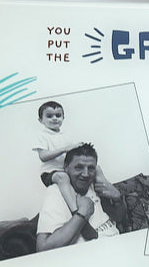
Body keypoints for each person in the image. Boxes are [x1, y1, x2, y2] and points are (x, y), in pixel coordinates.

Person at [33, 100, 120, 240]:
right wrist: (64, 149)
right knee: (63, 178)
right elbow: (43, 156)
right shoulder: (42, 135)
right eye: (49, 116)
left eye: (58, 115)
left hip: (64, 170)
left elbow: (74, 155)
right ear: (40, 120)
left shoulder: (65, 135)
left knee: (96, 167)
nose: (54, 118)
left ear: (63, 117)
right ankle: (76, 210)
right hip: (51, 173)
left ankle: (103, 184)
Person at [36, 143, 125, 251]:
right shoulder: (56, 193)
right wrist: (82, 214)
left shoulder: (96, 184)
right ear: (66, 168)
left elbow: (119, 218)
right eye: (79, 167)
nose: (86, 174)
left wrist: (117, 199)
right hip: (94, 254)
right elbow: (42, 248)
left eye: (91, 168)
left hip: (117, 246)